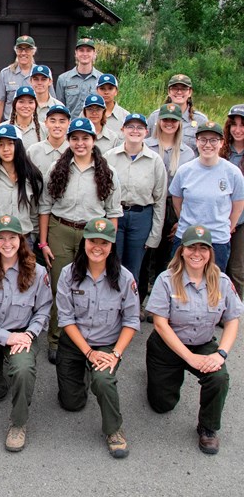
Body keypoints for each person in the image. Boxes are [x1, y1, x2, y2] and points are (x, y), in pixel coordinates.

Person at [145, 225, 244, 455]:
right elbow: (160, 323)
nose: (196, 253)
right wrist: (189, 358)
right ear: (181, 251)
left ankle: (208, 428)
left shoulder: (221, 281)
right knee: (161, 406)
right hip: (167, 346)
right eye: (191, 247)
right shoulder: (166, 279)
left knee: (219, 377)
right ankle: (157, 375)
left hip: (202, 342)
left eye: (203, 248)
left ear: (210, 252)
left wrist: (220, 354)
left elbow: (232, 320)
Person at [38, 117, 122, 364]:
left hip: (93, 235)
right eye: (74, 138)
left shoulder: (107, 171)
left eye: (85, 138)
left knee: (88, 287)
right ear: (69, 140)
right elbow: (45, 206)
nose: (80, 143)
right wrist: (43, 242)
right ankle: (55, 339)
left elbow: (114, 212)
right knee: (58, 287)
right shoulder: (57, 168)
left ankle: (86, 339)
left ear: (93, 140)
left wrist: (109, 245)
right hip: (60, 230)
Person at [55, 217, 140, 458]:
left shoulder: (124, 278)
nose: (97, 247)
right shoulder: (68, 274)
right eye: (93, 241)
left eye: (104, 243)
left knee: (102, 381)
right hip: (75, 342)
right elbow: (66, 319)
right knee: (71, 403)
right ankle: (81, 371)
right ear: (84, 242)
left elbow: (131, 321)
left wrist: (114, 354)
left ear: (112, 245)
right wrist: (88, 353)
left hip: (106, 344)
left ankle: (114, 430)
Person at [0, 214, 52, 452]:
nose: (7, 243)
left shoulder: (37, 271)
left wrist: (29, 334)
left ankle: (18, 424)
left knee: (23, 369)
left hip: (22, 334)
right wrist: (6, 337)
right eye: (1, 238)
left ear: (21, 239)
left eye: (12, 237)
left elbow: (44, 308)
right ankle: (2, 366)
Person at [170, 122, 244, 271]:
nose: (207, 145)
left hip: (217, 240)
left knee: (213, 285)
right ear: (197, 141)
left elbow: (238, 206)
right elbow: (177, 202)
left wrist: (227, 227)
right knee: (179, 282)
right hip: (186, 237)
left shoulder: (233, 172)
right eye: (203, 139)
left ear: (222, 143)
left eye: (213, 140)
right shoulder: (184, 171)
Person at [140, 104, 196, 302]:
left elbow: (190, 190)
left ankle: (161, 301)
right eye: (165, 120)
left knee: (167, 255)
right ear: (158, 121)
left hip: (174, 205)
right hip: (150, 202)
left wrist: (182, 219)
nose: (169, 124)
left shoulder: (188, 153)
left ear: (180, 123)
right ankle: (139, 300)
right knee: (147, 253)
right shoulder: (145, 145)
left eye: (173, 120)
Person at [103, 113, 168, 283]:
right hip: (115, 216)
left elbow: (160, 200)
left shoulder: (155, 161)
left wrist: (155, 234)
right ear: (122, 129)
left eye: (140, 127)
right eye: (130, 126)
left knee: (133, 269)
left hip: (141, 217)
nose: (135, 131)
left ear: (146, 132)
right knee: (111, 264)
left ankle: (130, 307)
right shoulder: (109, 157)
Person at [0, 124, 43, 255]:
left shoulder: (32, 175)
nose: (5, 149)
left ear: (19, 145)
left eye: (10, 144)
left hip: (23, 239)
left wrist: (32, 235)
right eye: (0, 145)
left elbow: (34, 210)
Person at [146, 73, 208, 152]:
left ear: (190, 92)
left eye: (184, 89)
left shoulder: (200, 120)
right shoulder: (155, 116)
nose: (179, 92)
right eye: (175, 88)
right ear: (169, 91)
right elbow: (144, 145)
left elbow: (205, 150)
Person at [220, 104, 244, 297]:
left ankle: (233, 311)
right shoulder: (222, 152)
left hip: (241, 222)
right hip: (219, 217)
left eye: (242, 125)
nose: (237, 129)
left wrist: (234, 221)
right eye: (234, 124)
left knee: (236, 269)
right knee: (218, 265)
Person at [0, 35, 38, 123]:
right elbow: (0, 103)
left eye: (27, 49)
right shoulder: (5, 73)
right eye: (20, 49)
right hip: (10, 124)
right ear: (16, 51)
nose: (23, 53)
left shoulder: (41, 75)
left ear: (33, 51)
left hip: (34, 125)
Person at [55, 37, 102, 116]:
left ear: (94, 53)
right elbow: (60, 108)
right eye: (81, 50)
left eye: (88, 50)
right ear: (76, 53)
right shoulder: (63, 79)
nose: (85, 54)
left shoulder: (101, 79)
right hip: (71, 126)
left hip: (93, 126)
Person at [27, 104, 70, 179]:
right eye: (53, 121)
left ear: (69, 123)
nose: (57, 125)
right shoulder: (33, 151)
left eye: (62, 121)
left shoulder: (74, 151)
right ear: (46, 123)